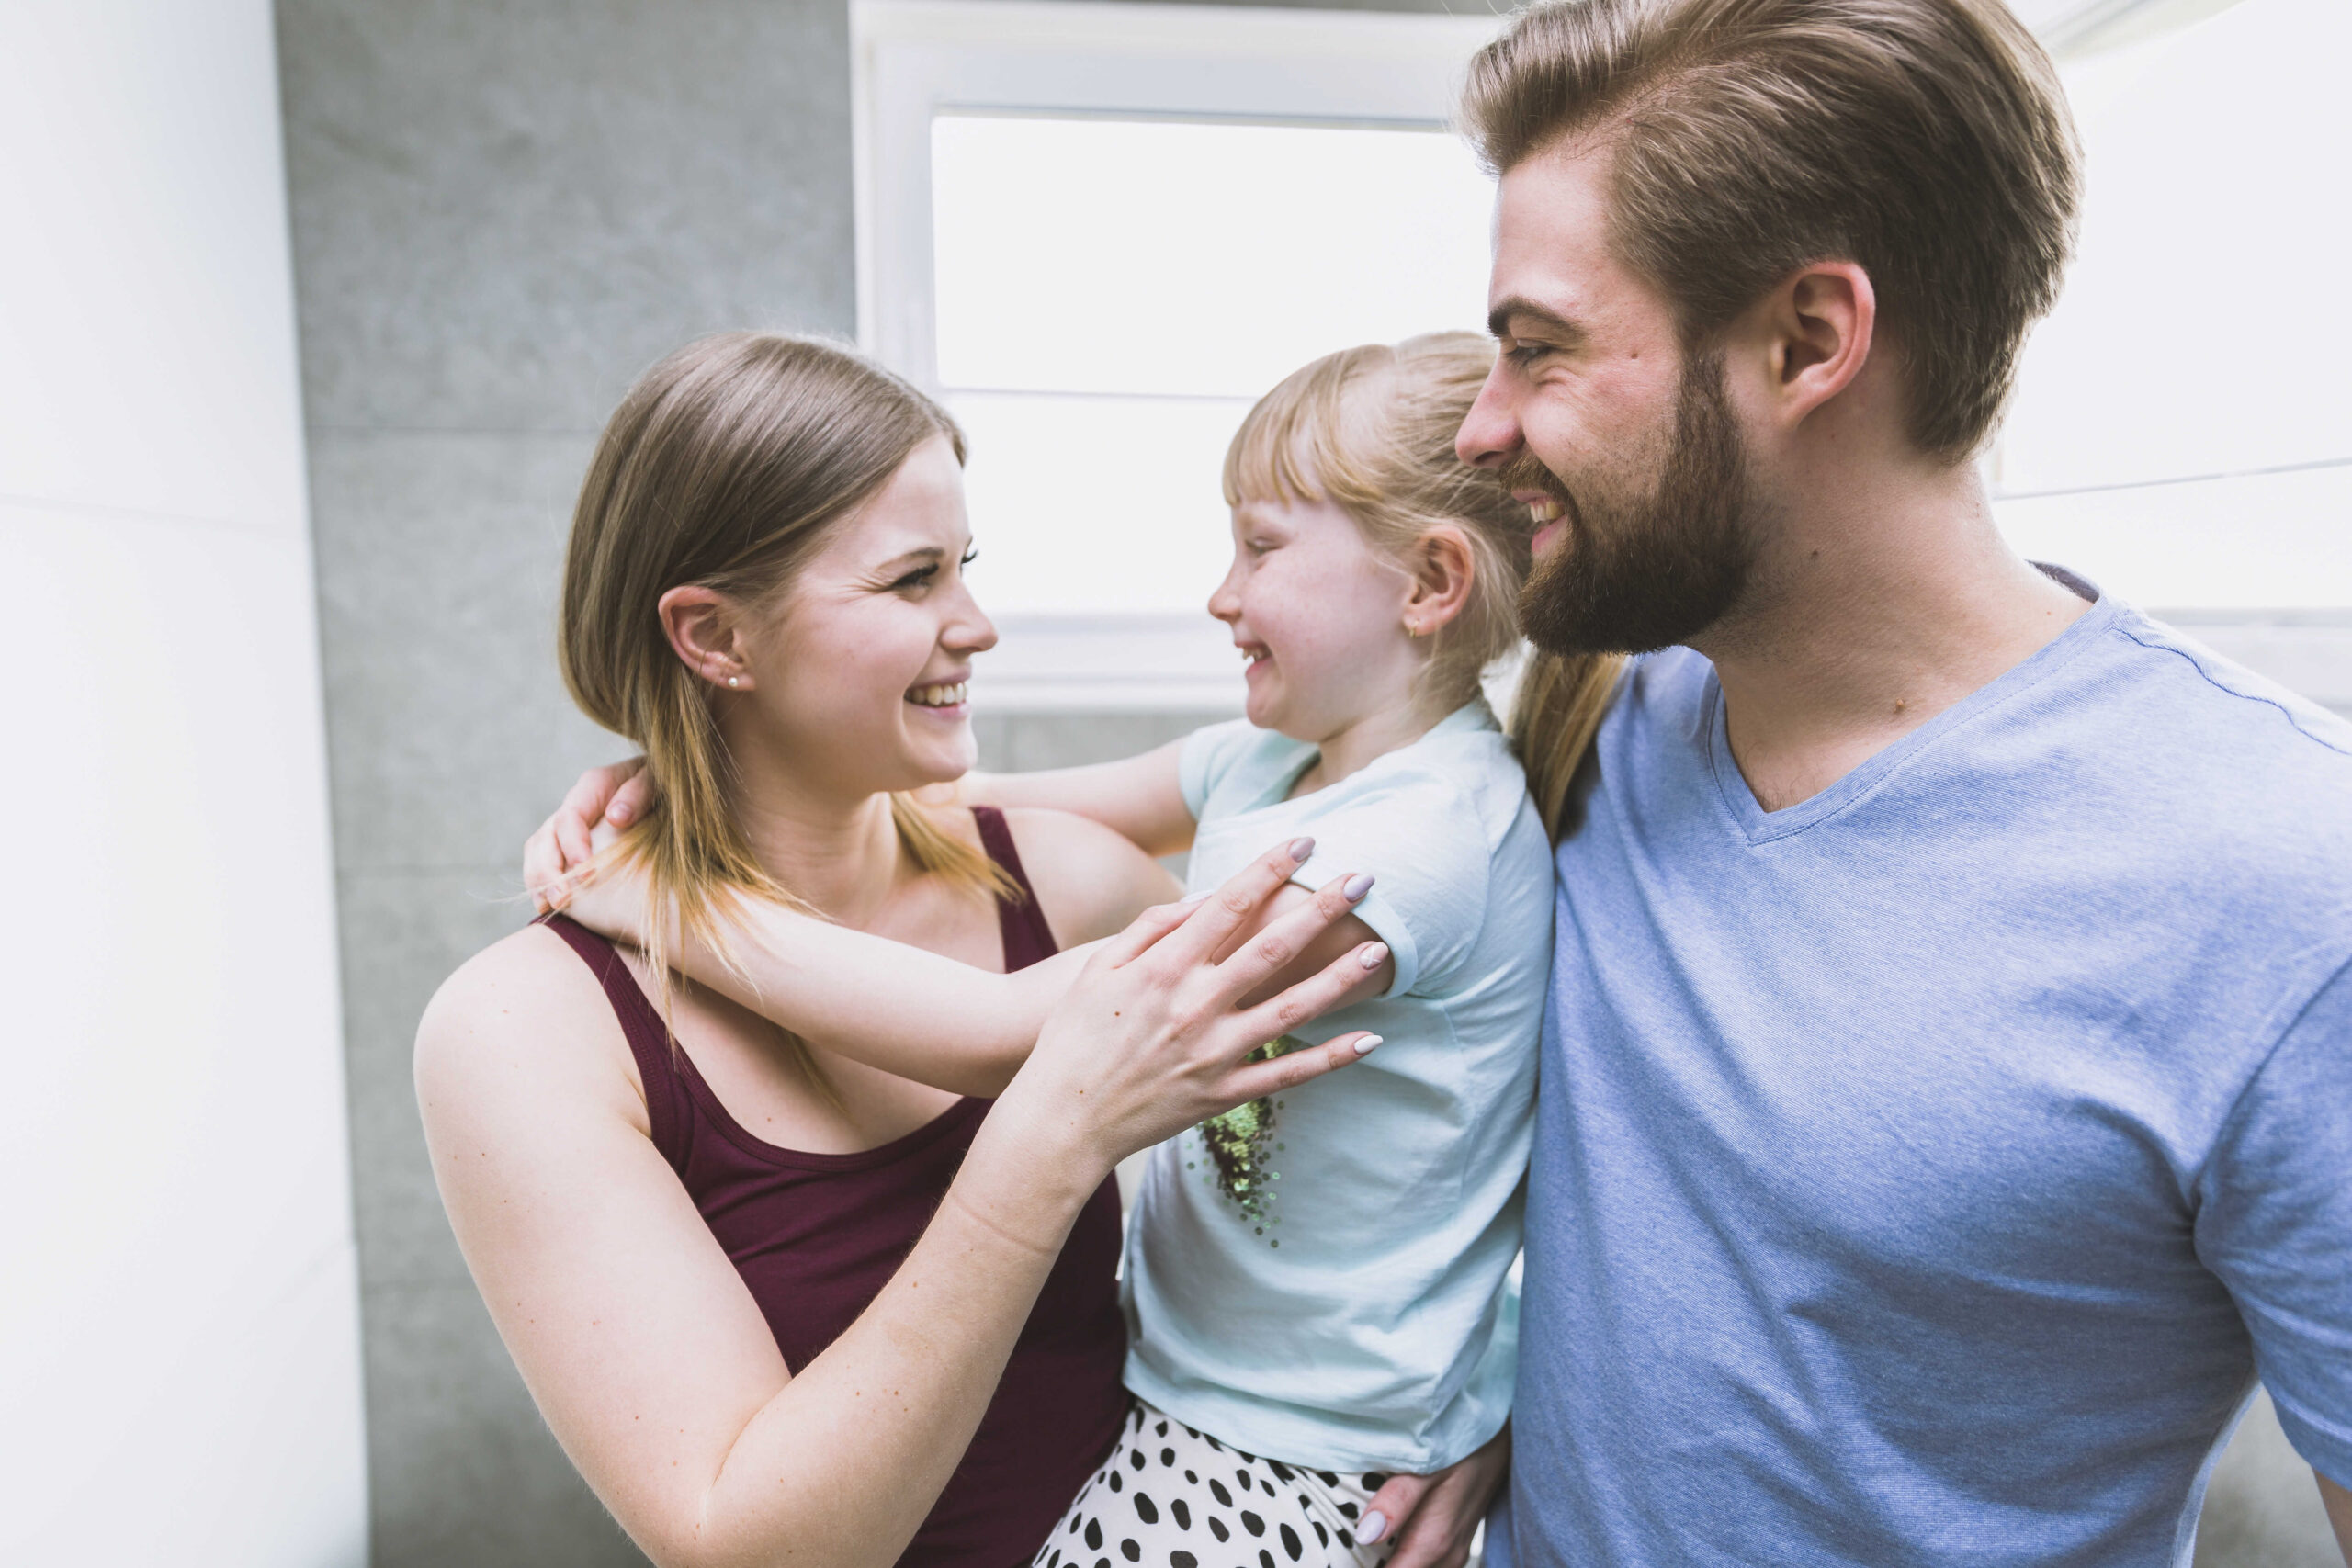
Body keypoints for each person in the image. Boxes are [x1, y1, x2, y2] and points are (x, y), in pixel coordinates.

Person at [1451, 1, 2352, 1564]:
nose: (1483, 427)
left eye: (1541, 353)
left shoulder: (2283, 880)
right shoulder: (1600, 705)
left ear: (1809, 342)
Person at [527, 334, 1624, 1568]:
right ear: (712, 639)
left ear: (1431, 584)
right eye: (910, 581)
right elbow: (963, 795)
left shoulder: (1405, 852)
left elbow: (1019, 1038)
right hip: (1208, 1399)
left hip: (1288, 1444)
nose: (979, 626)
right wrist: (667, 787)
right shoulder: (1268, 770)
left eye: (1260, 548)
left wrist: (678, 908)